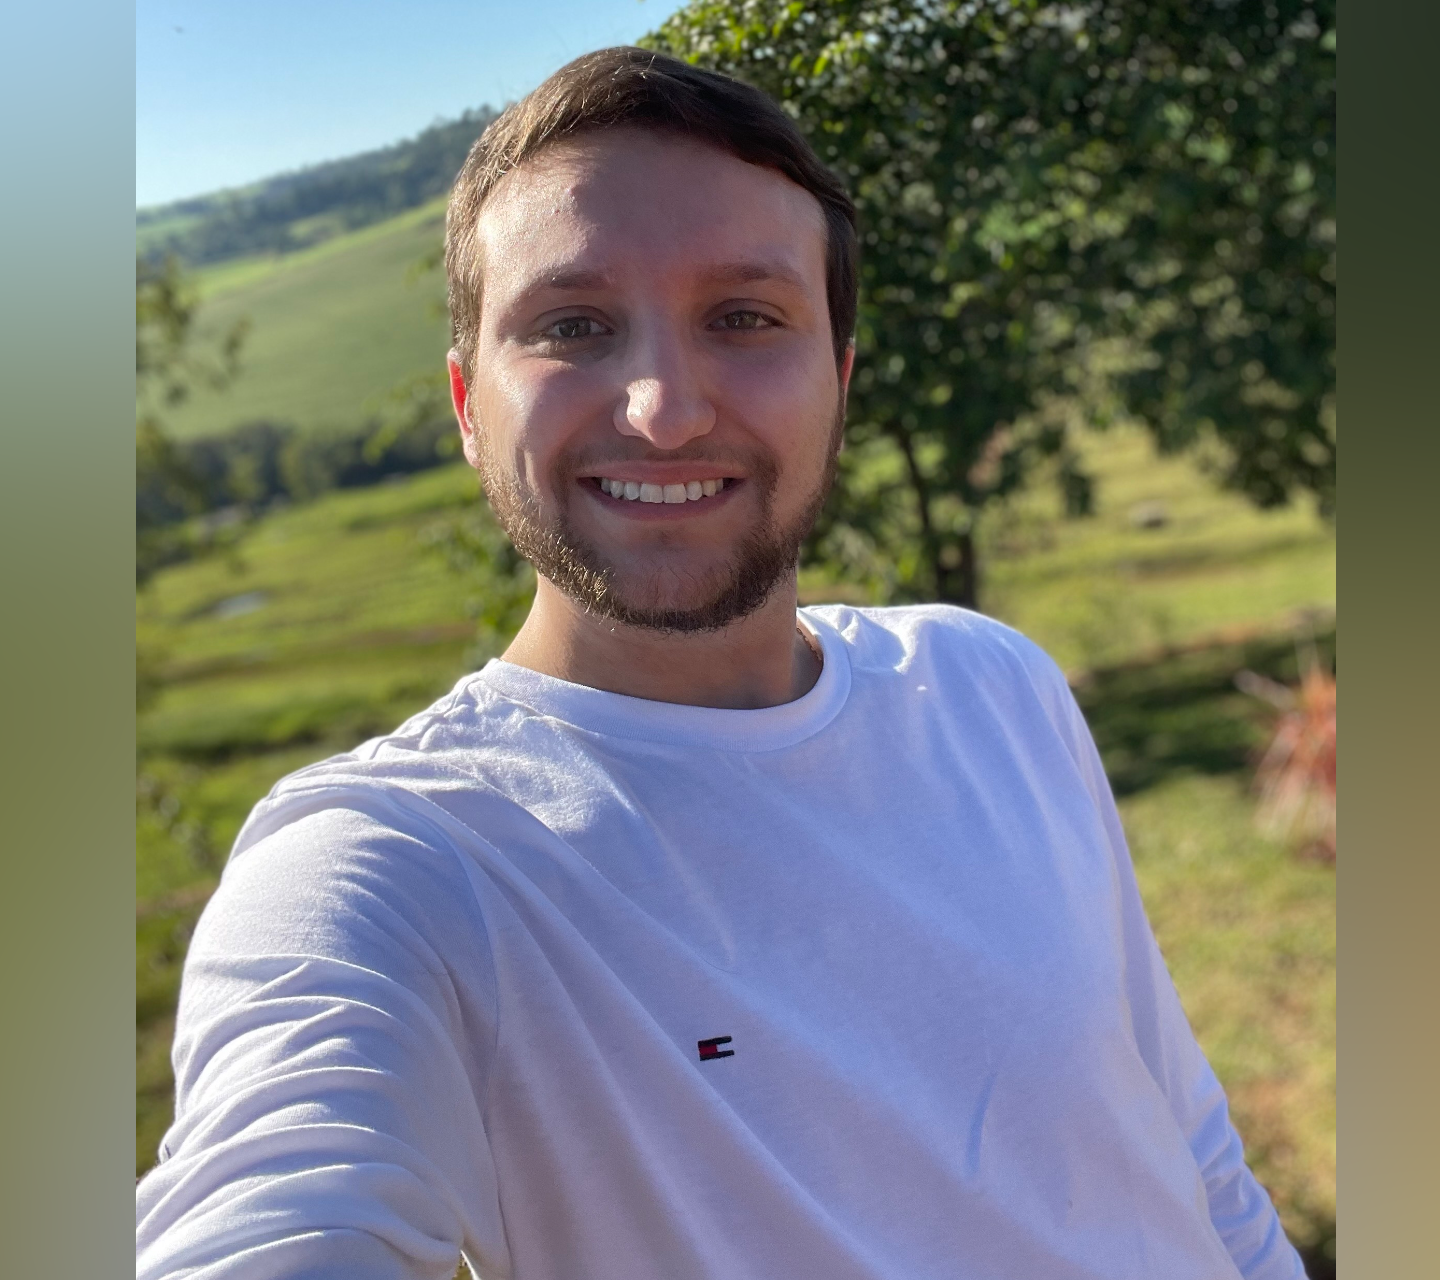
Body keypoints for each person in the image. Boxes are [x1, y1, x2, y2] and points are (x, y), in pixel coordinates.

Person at [136, 47, 1306, 1280]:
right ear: (469, 406)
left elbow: (1187, 1151)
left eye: (745, 316)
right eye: (572, 325)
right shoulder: (393, 864)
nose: (665, 408)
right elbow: (270, 1219)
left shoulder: (993, 687)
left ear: (839, 380)